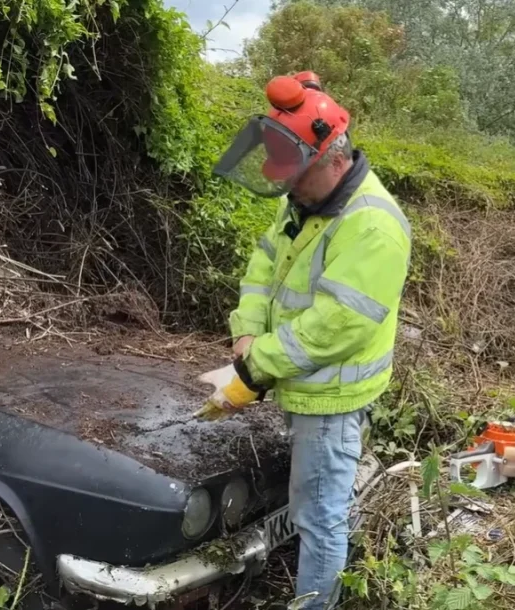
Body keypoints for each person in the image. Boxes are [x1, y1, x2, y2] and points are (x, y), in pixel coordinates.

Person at [203, 72, 411, 610]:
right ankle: (355, 561)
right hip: (299, 381)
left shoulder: (373, 227)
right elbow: (263, 266)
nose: (286, 186)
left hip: (331, 397)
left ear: (331, 160)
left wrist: (255, 369)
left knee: (317, 516)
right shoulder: (303, 198)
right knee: (324, 498)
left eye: (294, 175)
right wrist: (246, 330)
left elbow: (334, 326)